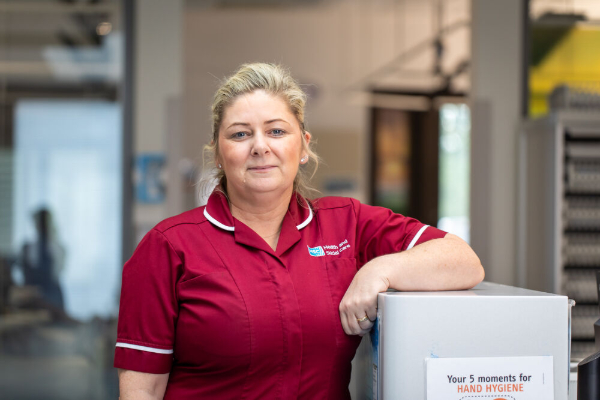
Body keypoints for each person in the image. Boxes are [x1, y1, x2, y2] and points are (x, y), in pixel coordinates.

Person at [115, 63, 484, 399]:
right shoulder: (169, 246)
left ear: (303, 146)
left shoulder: (347, 223)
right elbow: (141, 391)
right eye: (240, 134)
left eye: (277, 130)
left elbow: (463, 261)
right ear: (217, 154)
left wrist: (379, 269)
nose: (260, 147)